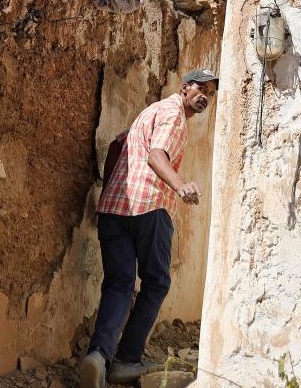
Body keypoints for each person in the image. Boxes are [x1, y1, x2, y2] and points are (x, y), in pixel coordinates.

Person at [79, 68, 219, 388]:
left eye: (210, 94)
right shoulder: (174, 116)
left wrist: (111, 189)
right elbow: (156, 155)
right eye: (201, 90)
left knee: (119, 284)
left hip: (114, 210)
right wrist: (180, 185)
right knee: (155, 282)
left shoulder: (151, 111)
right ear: (185, 88)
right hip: (149, 207)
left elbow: (118, 146)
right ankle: (126, 360)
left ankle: (98, 356)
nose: (205, 98)